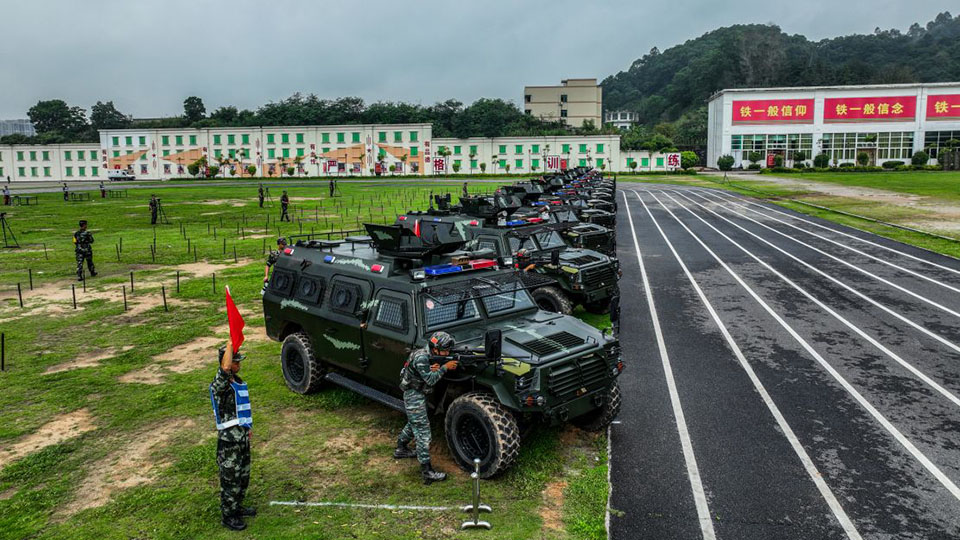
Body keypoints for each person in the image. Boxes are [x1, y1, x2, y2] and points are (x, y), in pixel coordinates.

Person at [394, 331, 458, 484]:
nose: (447, 353)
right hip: (413, 395)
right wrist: (445, 368)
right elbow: (430, 380)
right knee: (423, 432)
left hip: (416, 394)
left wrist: (435, 367)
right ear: (435, 349)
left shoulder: (426, 353)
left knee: (413, 422)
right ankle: (427, 471)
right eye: (444, 350)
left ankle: (401, 448)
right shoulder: (422, 357)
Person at [210, 344, 256, 531]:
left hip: (241, 436)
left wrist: (247, 428)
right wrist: (230, 345)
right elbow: (225, 369)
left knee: (243, 475)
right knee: (230, 479)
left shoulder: (236, 380)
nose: (238, 364)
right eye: (235, 361)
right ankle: (229, 516)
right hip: (229, 442)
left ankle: (237, 507)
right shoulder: (220, 384)